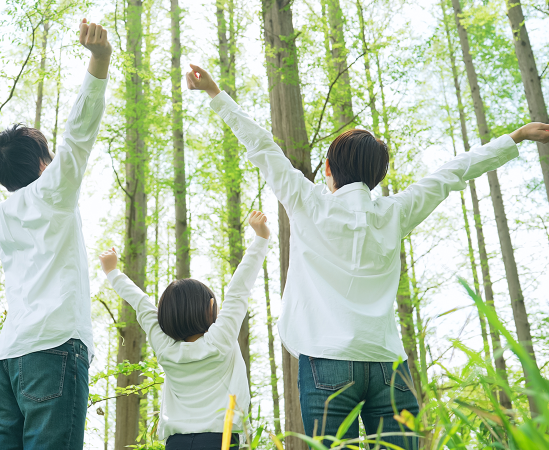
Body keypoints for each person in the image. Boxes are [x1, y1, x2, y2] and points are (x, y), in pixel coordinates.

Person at [185, 63, 549, 449]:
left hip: (326, 360)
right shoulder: (394, 212)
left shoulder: (308, 202)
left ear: (327, 168)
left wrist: (215, 93)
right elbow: (451, 173)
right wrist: (515, 138)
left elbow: (261, 146)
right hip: (388, 363)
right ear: (376, 177)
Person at [0, 18, 111, 450]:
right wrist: (99, 58)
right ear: (41, 164)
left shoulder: (1, 212)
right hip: (53, 350)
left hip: (8, 359)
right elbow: (79, 134)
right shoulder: (53, 189)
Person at [99, 211, 272, 450]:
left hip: (177, 443)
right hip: (220, 440)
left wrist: (113, 273)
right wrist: (261, 238)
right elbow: (239, 288)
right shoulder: (220, 340)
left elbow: (142, 305)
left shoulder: (166, 349)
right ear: (212, 308)